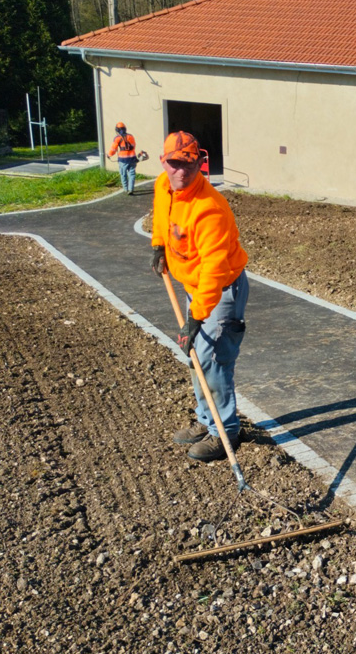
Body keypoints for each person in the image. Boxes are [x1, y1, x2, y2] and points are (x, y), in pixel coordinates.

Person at [149, 131, 250, 462]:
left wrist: (196, 318)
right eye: (174, 164)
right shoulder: (164, 187)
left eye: (188, 165)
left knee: (213, 359)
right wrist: (158, 246)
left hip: (220, 289)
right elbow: (163, 218)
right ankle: (208, 421)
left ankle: (226, 432)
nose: (181, 172)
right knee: (197, 355)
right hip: (197, 287)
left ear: (199, 164)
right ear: (163, 162)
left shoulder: (210, 209)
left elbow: (213, 271)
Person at [108, 122, 139, 194]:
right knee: (132, 174)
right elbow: (133, 146)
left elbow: (113, 149)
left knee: (123, 174)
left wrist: (109, 155)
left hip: (123, 160)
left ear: (117, 130)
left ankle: (126, 189)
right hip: (132, 158)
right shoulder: (131, 136)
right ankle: (131, 189)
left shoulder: (117, 138)